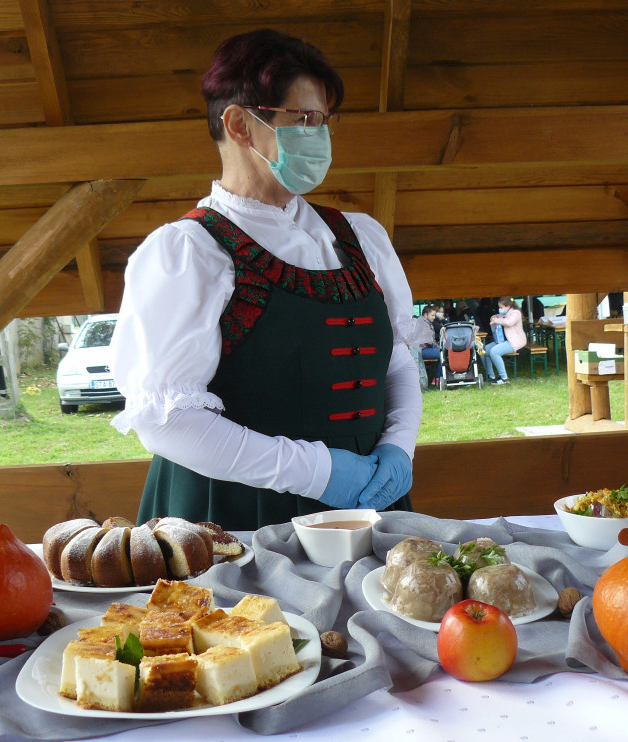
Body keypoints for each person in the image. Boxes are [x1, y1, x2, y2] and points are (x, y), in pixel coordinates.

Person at [109, 29, 426, 529]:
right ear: (239, 124)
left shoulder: (359, 237)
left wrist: (398, 447)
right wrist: (318, 472)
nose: (318, 135)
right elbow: (166, 422)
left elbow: (397, 363)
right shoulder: (189, 252)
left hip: (366, 509)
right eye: (303, 119)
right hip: (234, 520)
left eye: (324, 120)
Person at [483, 297, 527, 385]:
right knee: (484, 350)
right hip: (503, 340)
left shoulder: (516, 313)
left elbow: (508, 322)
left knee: (494, 352)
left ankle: (504, 378)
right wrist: (494, 317)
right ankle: (490, 376)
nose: (500, 309)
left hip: (515, 341)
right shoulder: (507, 313)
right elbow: (501, 317)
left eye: (501, 307)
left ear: (508, 307)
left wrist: (496, 320)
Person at [419, 305, 441, 388]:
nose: (434, 317)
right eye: (432, 315)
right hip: (422, 350)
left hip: (423, 349)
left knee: (442, 353)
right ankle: (437, 378)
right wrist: (440, 347)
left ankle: (437, 378)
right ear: (425, 315)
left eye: (434, 315)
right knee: (442, 354)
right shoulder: (424, 324)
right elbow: (430, 341)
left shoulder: (425, 322)